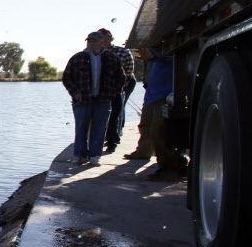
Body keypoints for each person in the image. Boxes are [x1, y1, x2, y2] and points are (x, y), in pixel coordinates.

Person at [62, 31, 126, 166]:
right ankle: (79, 155)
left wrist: (112, 93)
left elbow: (122, 78)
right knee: (81, 128)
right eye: (89, 40)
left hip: (103, 100)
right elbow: (66, 78)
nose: (91, 43)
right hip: (82, 100)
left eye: (94, 40)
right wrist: (75, 93)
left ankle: (95, 156)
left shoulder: (111, 58)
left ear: (101, 42)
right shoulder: (77, 58)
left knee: (99, 128)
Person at [124, 51, 187, 179]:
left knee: (160, 131)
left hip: (165, 95)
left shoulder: (169, 51)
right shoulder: (156, 55)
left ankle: (170, 167)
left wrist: (154, 56)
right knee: (147, 127)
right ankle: (147, 154)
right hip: (152, 95)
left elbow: (178, 56)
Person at [99, 29, 136, 153]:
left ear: (110, 38)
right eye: (100, 37)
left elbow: (129, 71)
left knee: (118, 110)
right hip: (103, 88)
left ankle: (114, 139)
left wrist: (120, 87)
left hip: (124, 83)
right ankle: (107, 137)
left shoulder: (122, 51)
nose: (102, 40)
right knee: (104, 113)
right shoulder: (95, 52)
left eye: (104, 37)